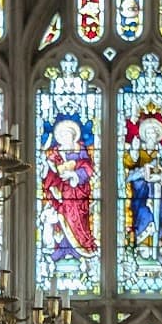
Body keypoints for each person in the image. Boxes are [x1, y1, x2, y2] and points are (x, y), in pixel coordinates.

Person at [40, 115, 98, 269]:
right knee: (62, 216)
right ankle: (63, 248)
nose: (65, 137)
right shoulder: (56, 151)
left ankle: (79, 249)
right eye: (63, 135)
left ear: (74, 135)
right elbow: (50, 169)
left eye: (68, 134)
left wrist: (74, 174)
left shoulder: (80, 148)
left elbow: (88, 167)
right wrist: (48, 166)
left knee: (79, 220)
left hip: (79, 191)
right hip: (62, 191)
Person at [124, 108, 162, 263]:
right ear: (143, 135)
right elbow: (127, 169)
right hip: (141, 193)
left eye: (154, 133)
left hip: (159, 194)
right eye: (148, 133)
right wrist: (134, 154)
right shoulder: (138, 150)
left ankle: (160, 242)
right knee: (142, 214)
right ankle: (143, 244)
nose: (151, 136)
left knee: (160, 216)